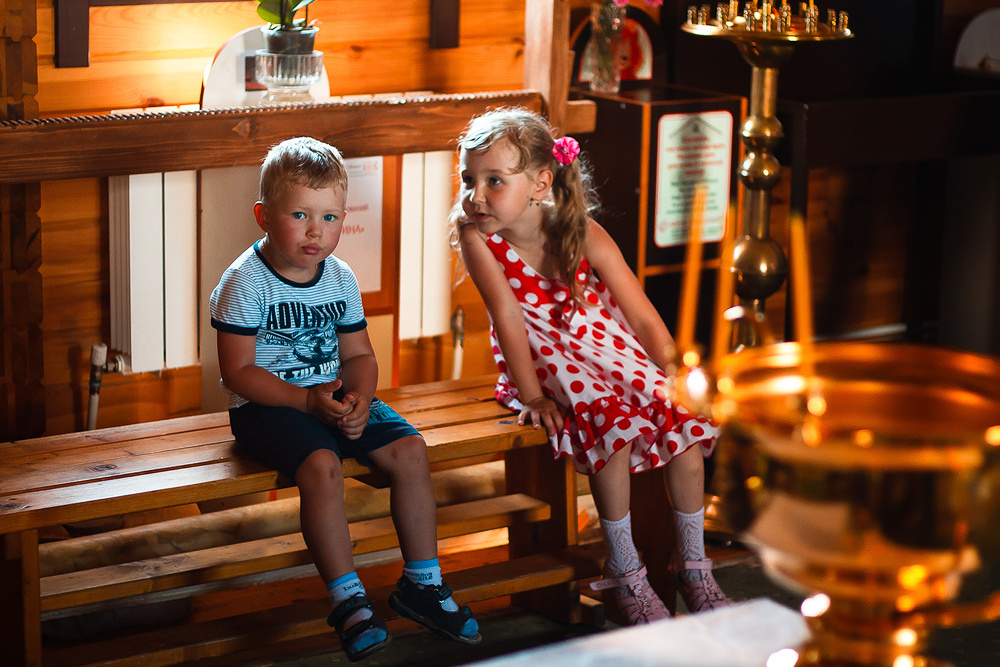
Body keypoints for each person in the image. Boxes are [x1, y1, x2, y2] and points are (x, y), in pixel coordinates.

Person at [452, 108, 729, 624]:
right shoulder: (479, 237)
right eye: (470, 179)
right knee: (613, 428)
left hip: (602, 341)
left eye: (494, 180)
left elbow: (641, 315)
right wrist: (532, 395)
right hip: (540, 352)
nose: (476, 194)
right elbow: (508, 317)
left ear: (540, 183)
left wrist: (676, 372)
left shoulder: (581, 230)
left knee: (685, 427)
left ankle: (693, 566)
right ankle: (624, 571)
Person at [210, 137, 480, 661]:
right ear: (263, 216)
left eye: (331, 217)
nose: (317, 230)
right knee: (322, 464)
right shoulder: (245, 281)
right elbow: (238, 373)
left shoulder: (339, 277)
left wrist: (359, 400)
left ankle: (422, 585)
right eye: (301, 215)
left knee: (410, 451)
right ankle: (348, 600)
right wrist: (309, 404)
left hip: (330, 395)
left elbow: (360, 354)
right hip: (267, 406)